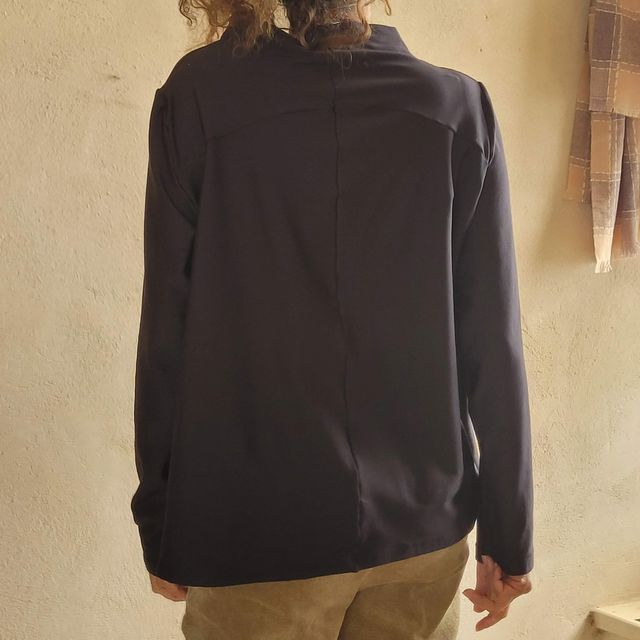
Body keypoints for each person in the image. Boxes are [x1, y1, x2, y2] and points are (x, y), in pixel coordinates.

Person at [130, 0, 534, 637]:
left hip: (258, 534)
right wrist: (508, 535)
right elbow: (493, 337)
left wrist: (162, 523)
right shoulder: (458, 108)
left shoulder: (201, 97)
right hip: (422, 532)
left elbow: (167, 330)